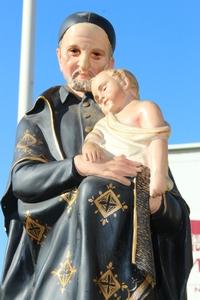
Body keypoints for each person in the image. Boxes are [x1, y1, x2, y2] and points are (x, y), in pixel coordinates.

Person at [0, 11, 192, 300]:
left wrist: (155, 204)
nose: (84, 63)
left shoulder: (133, 117)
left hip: (131, 269)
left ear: (112, 64)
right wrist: (78, 167)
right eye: (74, 51)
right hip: (62, 271)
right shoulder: (40, 119)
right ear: (59, 56)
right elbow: (23, 179)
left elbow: (174, 211)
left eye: (97, 54)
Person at [83, 68, 173, 198]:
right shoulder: (105, 122)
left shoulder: (145, 109)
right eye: (97, 99)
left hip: (140, 175)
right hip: (110, 174)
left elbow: (157, 140)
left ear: (124, 82)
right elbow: (94, 137)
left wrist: (159, 175)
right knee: (89, 188)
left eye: (104, 89)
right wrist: (90, 145)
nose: (101, 98)